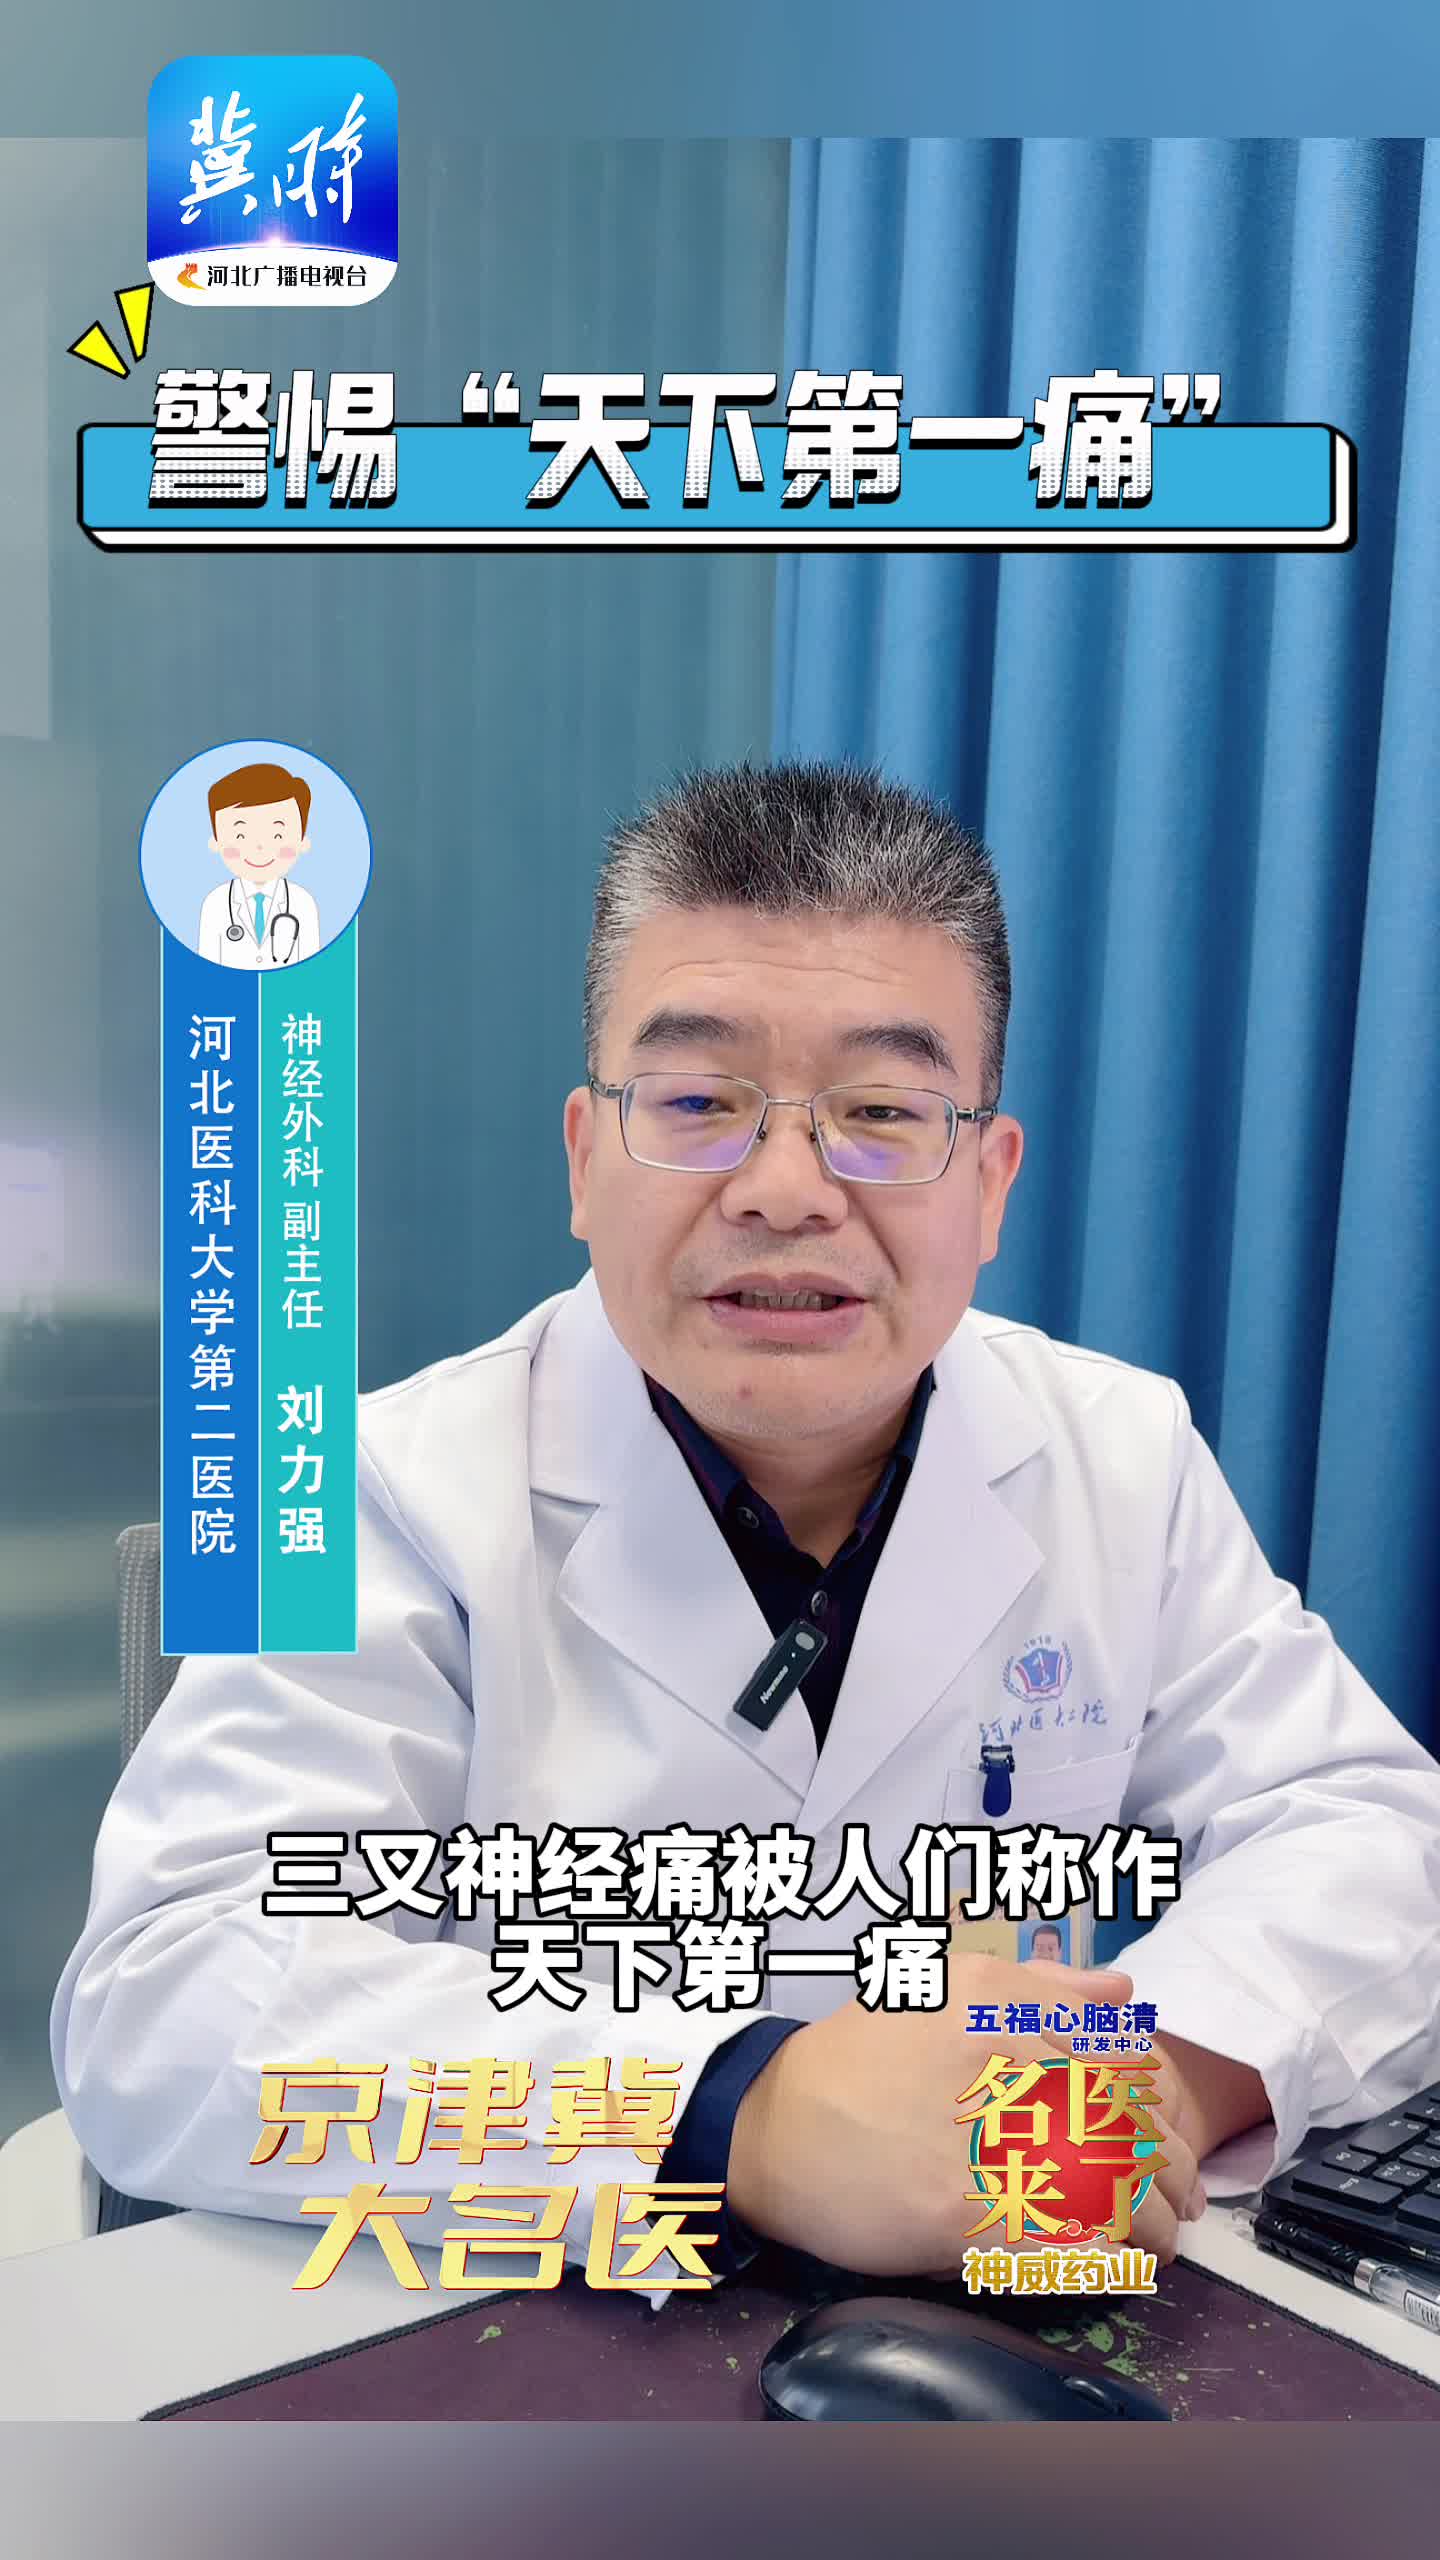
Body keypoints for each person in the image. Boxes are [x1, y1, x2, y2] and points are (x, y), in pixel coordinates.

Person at [53, 762, 1440, 2287]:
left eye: (883, 1113)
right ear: (587, 1159)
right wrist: (739, 2114)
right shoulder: (361, 1484)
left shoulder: (1120, 1452)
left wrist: (1155, 2074)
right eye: (700, 1104)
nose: (787, 1189)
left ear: (989, 1185)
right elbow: (167, 1998)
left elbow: (1368, 1829)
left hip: (1007, 2287)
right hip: (519, 2303)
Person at [196, 761, 321, 968]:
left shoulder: (303, 903)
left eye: (277, 835)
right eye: (240, 836)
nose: (259, 847)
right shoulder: (215, 904)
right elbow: (205, 970)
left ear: (302, 841)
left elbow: (312, 970)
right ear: (216, 842)